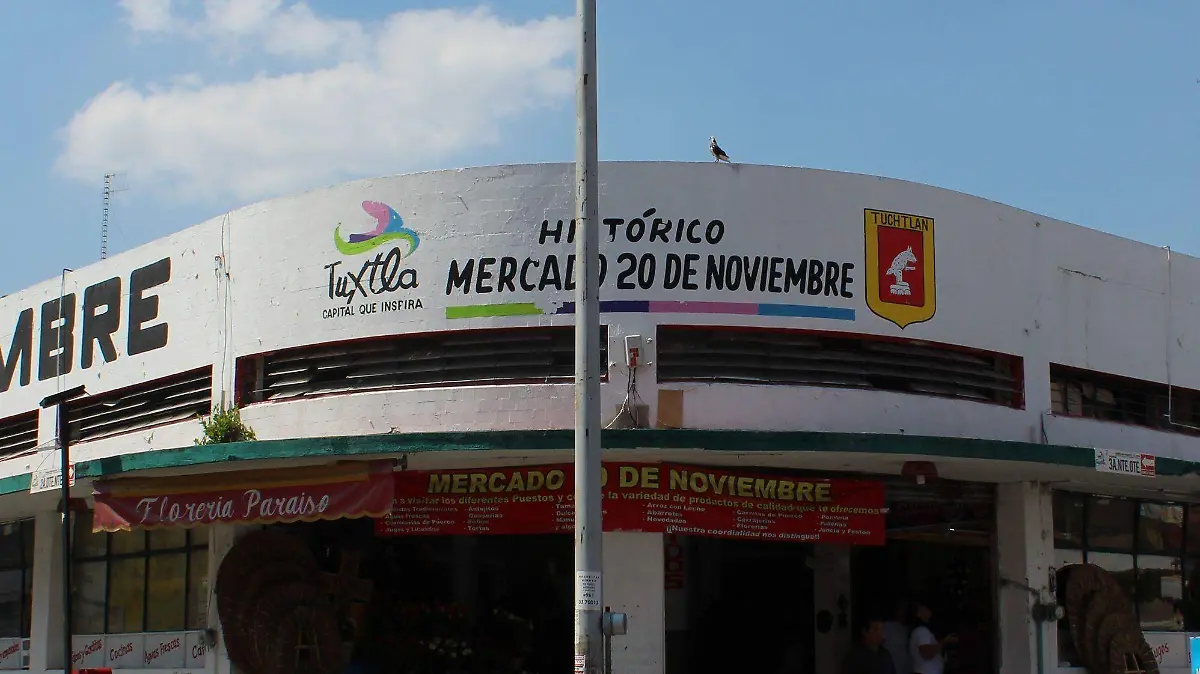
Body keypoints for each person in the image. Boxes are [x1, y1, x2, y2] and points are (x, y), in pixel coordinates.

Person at [909, 600, 957, 674]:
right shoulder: (922, 631)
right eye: (922, 607)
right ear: (917, 614)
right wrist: (944, 642)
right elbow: (926, 653)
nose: (927, 608)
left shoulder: (925, 630)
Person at [882, 599, 911, 674]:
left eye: (905, 609)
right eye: (901, 609)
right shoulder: (888, 626)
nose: (903, 612)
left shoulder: (910, 630)